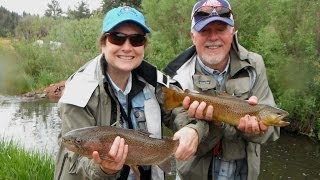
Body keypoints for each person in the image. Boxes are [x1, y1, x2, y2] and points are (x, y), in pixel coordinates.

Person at [54, 6, 207, 180]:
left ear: (144, 46)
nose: (127, 47)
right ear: (103, 44)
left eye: (136, 39)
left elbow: (183, 112)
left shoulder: (156, 81)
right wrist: (104, 169)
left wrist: (192, 129)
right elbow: (74, 159)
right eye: (117, 38)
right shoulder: (78, 91)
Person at [163, 0, 280, 179]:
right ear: (193, 36)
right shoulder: (176, 74)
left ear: (232, 33)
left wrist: (254, 130)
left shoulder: (255, 65)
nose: (213, 37)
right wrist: (197, 128)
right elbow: (179, 123)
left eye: (221, 29)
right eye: (205, 30)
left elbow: (272, 133)